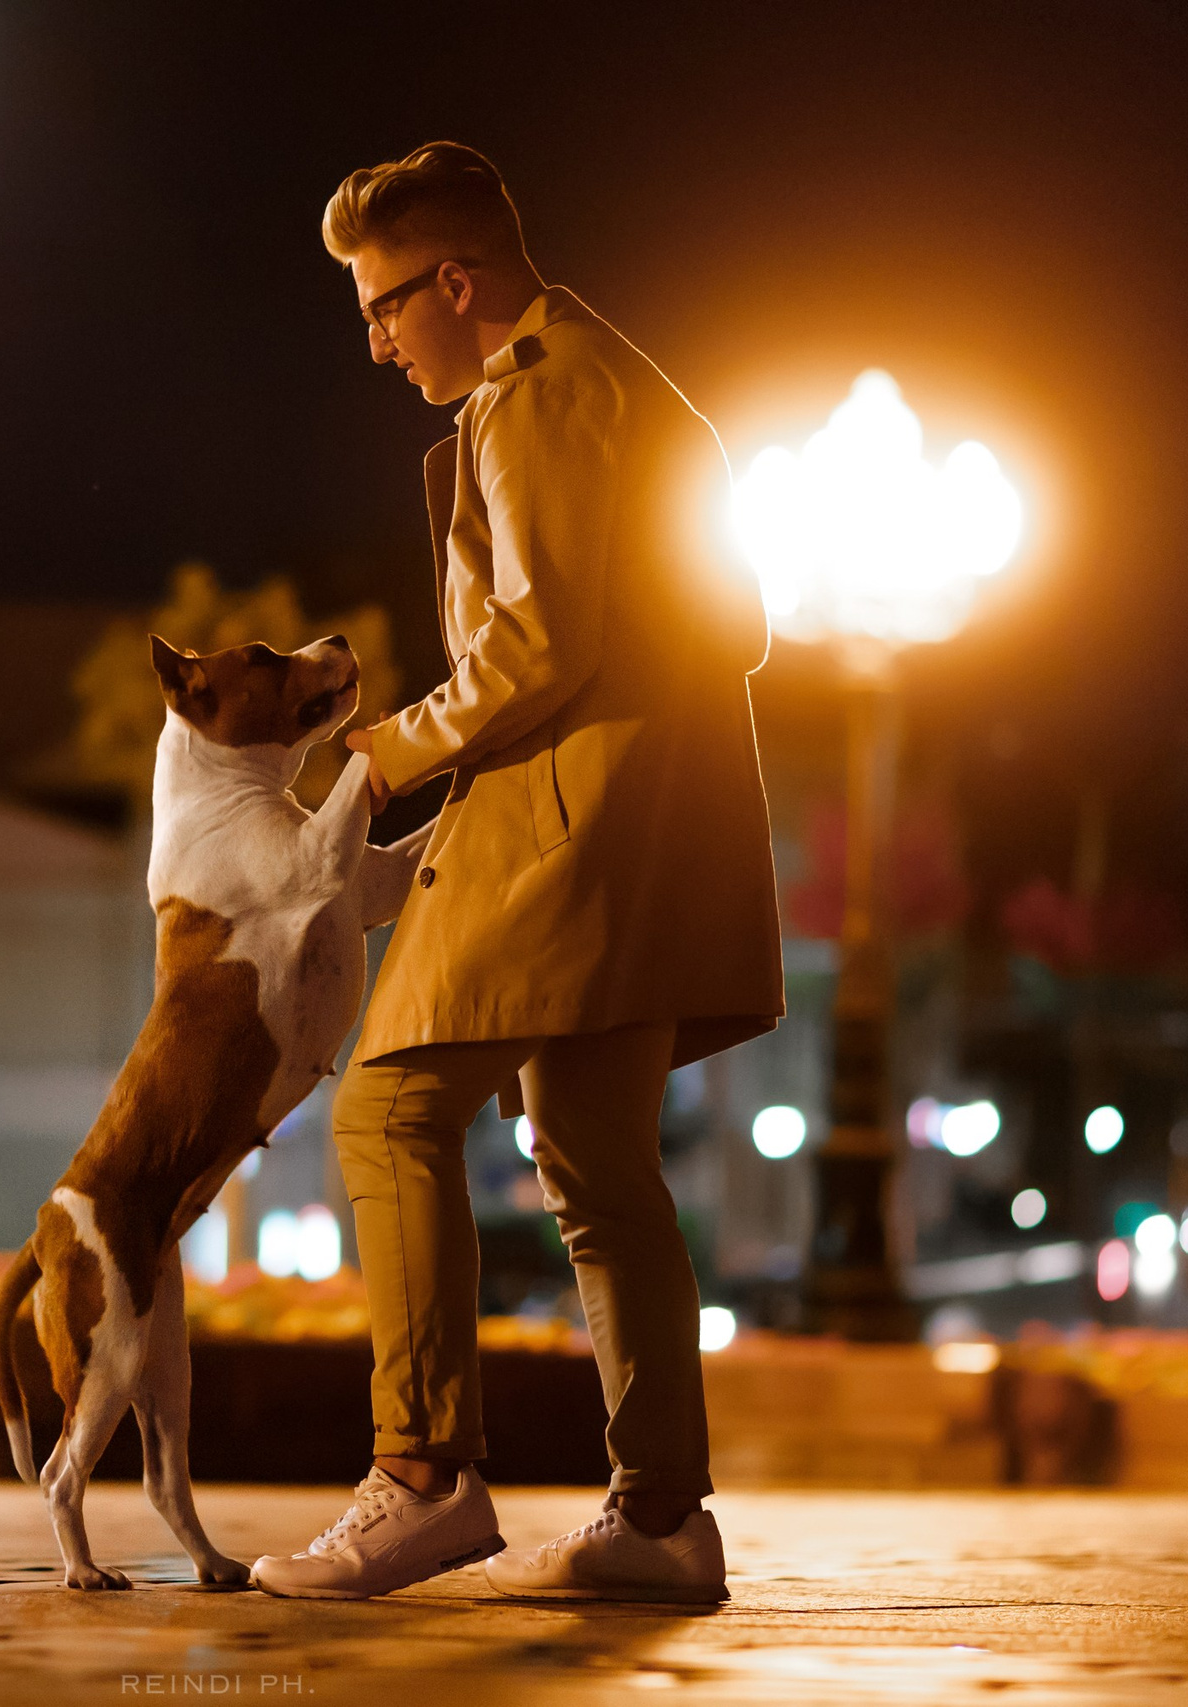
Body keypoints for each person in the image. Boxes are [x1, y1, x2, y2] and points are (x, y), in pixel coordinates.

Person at [250, 142, 784, 1603]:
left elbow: (540, 645)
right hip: (653, 832)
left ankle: (421, 1478)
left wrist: (388, 753)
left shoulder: (535, 394)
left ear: (458, 281)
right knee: (601, 1167)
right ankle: (662, 1520)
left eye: (382, 306)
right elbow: (733, 626)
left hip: (560, 831)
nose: (375, 339)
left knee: (385, 1113)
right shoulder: (634, 385)